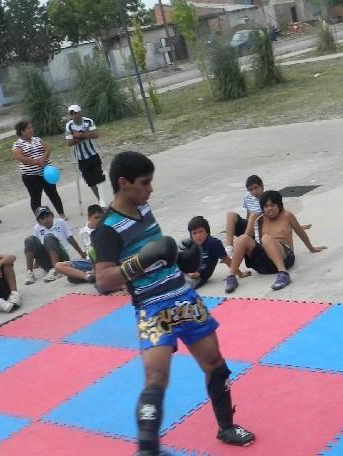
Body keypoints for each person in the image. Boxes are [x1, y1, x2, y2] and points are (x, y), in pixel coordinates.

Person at [92, 151, 255, 454]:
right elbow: (103, 280)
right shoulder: (107, 229)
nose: (150, 189)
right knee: (156, 379)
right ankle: (148, 449)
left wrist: (180, 259)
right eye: (145, 183)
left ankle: (226, 427)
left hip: (183, 296)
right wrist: (141, 261)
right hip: (152, 307)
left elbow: (158, 252)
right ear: (124, 183)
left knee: (215, 364)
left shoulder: (143, 207)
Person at [226, 190, 325, 292]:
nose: (269, 208)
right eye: (266, 206)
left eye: (272, 205)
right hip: (264, 263)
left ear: (279, 205)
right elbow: (245, 240)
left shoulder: (287, 216)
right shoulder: (259, 219)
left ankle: (283, 274)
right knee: (242, 238)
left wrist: (311, 248)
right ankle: (231, 276)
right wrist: (238, 265)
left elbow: (300, 232)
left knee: (266, 238)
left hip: (285, 258)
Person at [13, 120, 66, 218]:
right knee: (36, 197)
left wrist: (43, 159)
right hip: (31, 176)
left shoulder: (37, 139)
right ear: (22, 131)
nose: (31, 130)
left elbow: (47, 149)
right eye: (28, 128)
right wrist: (36, 162)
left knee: (53, 193)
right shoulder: (17, 144)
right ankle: (40, 218)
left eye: (31, 127)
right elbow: (20, 157)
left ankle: (62, 214)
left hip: (46, 172)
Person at [25, 206, 86, 284]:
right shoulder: (37, 228)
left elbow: (70, 238)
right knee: (30, 239)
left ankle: (56, 270)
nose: (46, 220)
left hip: (62, 258)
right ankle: (29, 272)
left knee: (48, 237)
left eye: (47, 216)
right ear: (39, 221)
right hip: (47, 260)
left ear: (52, 216)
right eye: (42, 218)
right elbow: (36, 245)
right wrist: (36, 262)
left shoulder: (60, 222)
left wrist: (82, 253)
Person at [65, 105, 109, 207]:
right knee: (90, 181)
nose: (73, 115)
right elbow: (69, 143)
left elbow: (96, 134)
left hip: (92, 153)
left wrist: (80, 135)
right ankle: (100, 199)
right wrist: (87, 135)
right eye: (71, 113)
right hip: (80, 157)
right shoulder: (69, 126)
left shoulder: (88, 121)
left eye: (75, 113)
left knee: (99, 176)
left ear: (80, 113)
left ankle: (102, 202)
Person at [55, 204, 105, 284]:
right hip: (89, 261)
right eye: (96, 217)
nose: (99, 220)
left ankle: (93, 274)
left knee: (72, 277)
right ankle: (88, 276)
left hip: (102, 260)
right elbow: (85, 251)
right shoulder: (83, 232)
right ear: (89, 218)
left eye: (101, 217)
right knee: (59, 266)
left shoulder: (106, 228)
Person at [185, 216, 232, 289]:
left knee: (179, 288)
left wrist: (239, 274)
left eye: (200, 231)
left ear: (207, 232)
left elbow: (226, 259)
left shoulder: (214, 243)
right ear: (191, 235)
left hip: (198, 277)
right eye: (194, 233)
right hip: (186, 272)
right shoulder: (190, 244)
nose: (198, 235)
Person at [225, 175, 264, 250]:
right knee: (230, 215)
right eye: (251, 190)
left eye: (256, 188)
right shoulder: (248, 197)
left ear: (261, 185)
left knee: (254, 215)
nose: (254, 192)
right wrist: (248, 225)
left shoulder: (267, 197)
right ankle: (229, 248)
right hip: (250, 227)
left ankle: (242, 244)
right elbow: (248, 213)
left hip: (261, 228)